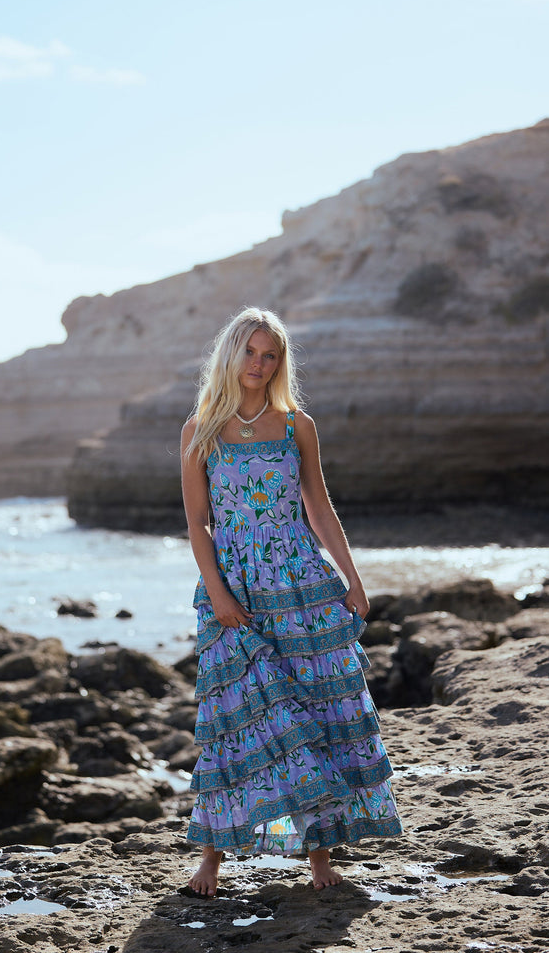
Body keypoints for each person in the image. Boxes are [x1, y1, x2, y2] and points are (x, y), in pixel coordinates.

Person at [180, 307, 402, 897]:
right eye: (250, 352)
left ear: (280, 362)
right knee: (233, 717)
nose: (259, 364)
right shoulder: (199, 428)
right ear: (231, 355)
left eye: (270, 354)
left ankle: (319, 856)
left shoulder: (297, 425)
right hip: (234, 589)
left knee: (316, 707)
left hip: (300, 583)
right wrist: (220, 593)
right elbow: (198, 525)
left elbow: (319, 508)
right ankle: (210, 859)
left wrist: (352, 578)